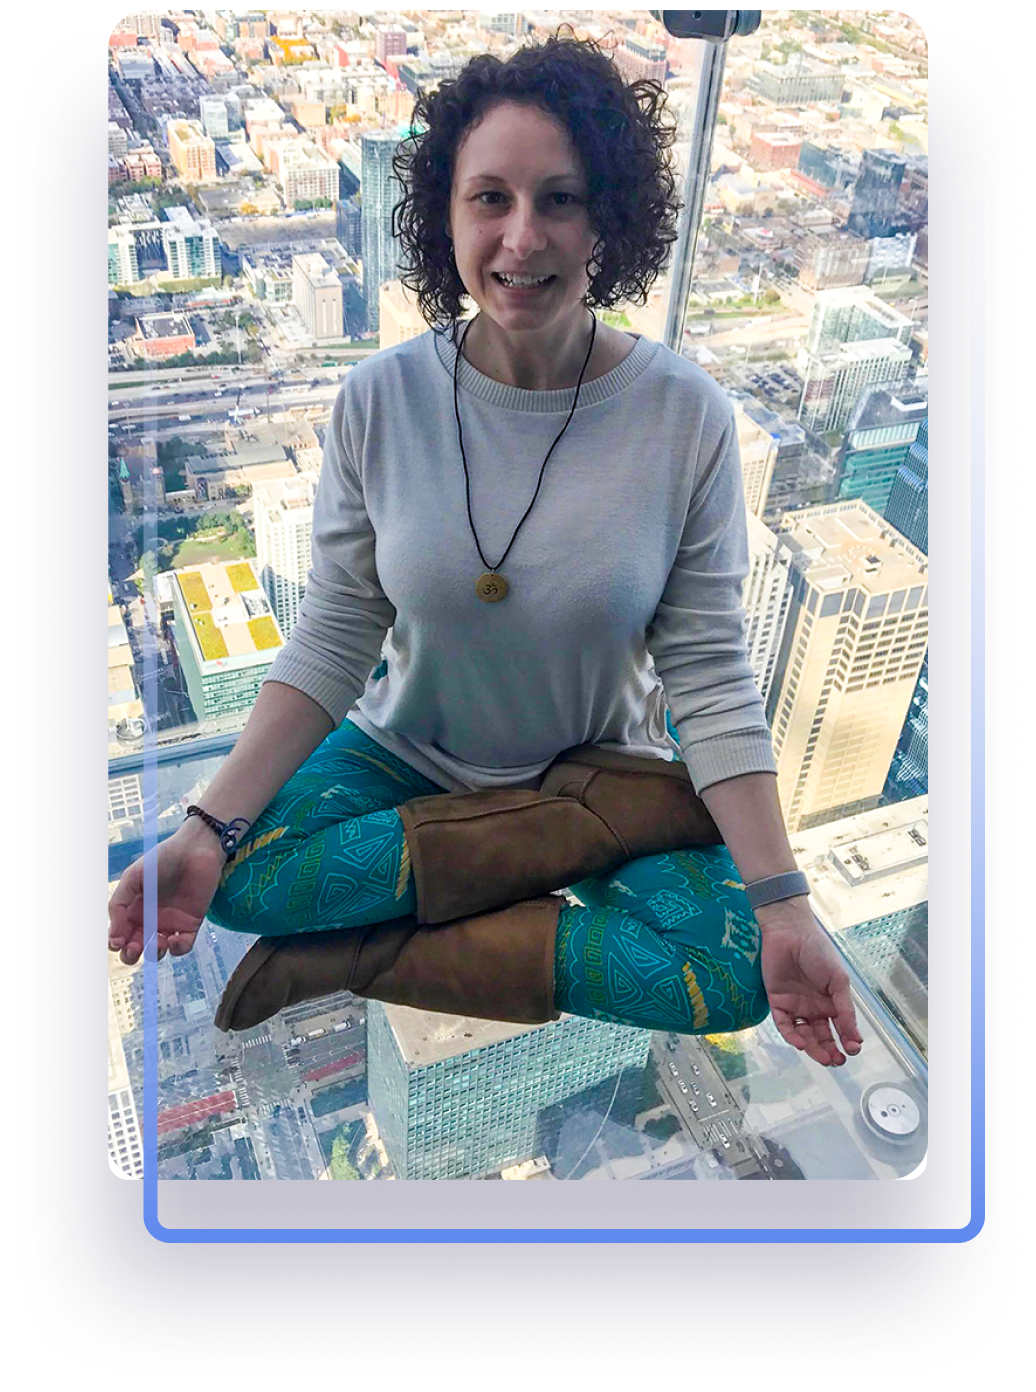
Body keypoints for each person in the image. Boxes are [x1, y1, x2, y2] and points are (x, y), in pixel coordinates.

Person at [107, 30, 863, 1070]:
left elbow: (708, 667)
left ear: (608, 220)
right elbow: (334, 633)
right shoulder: (379, 399)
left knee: (737, 972)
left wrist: (783, 902)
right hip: (407, 754)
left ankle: (364, 951)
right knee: (230, 878)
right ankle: (548, 841)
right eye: (490, 198)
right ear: (446, 216)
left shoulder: (683, 414)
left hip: (595, 766)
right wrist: (204, 828)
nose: (523, 236)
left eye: (561, 199)